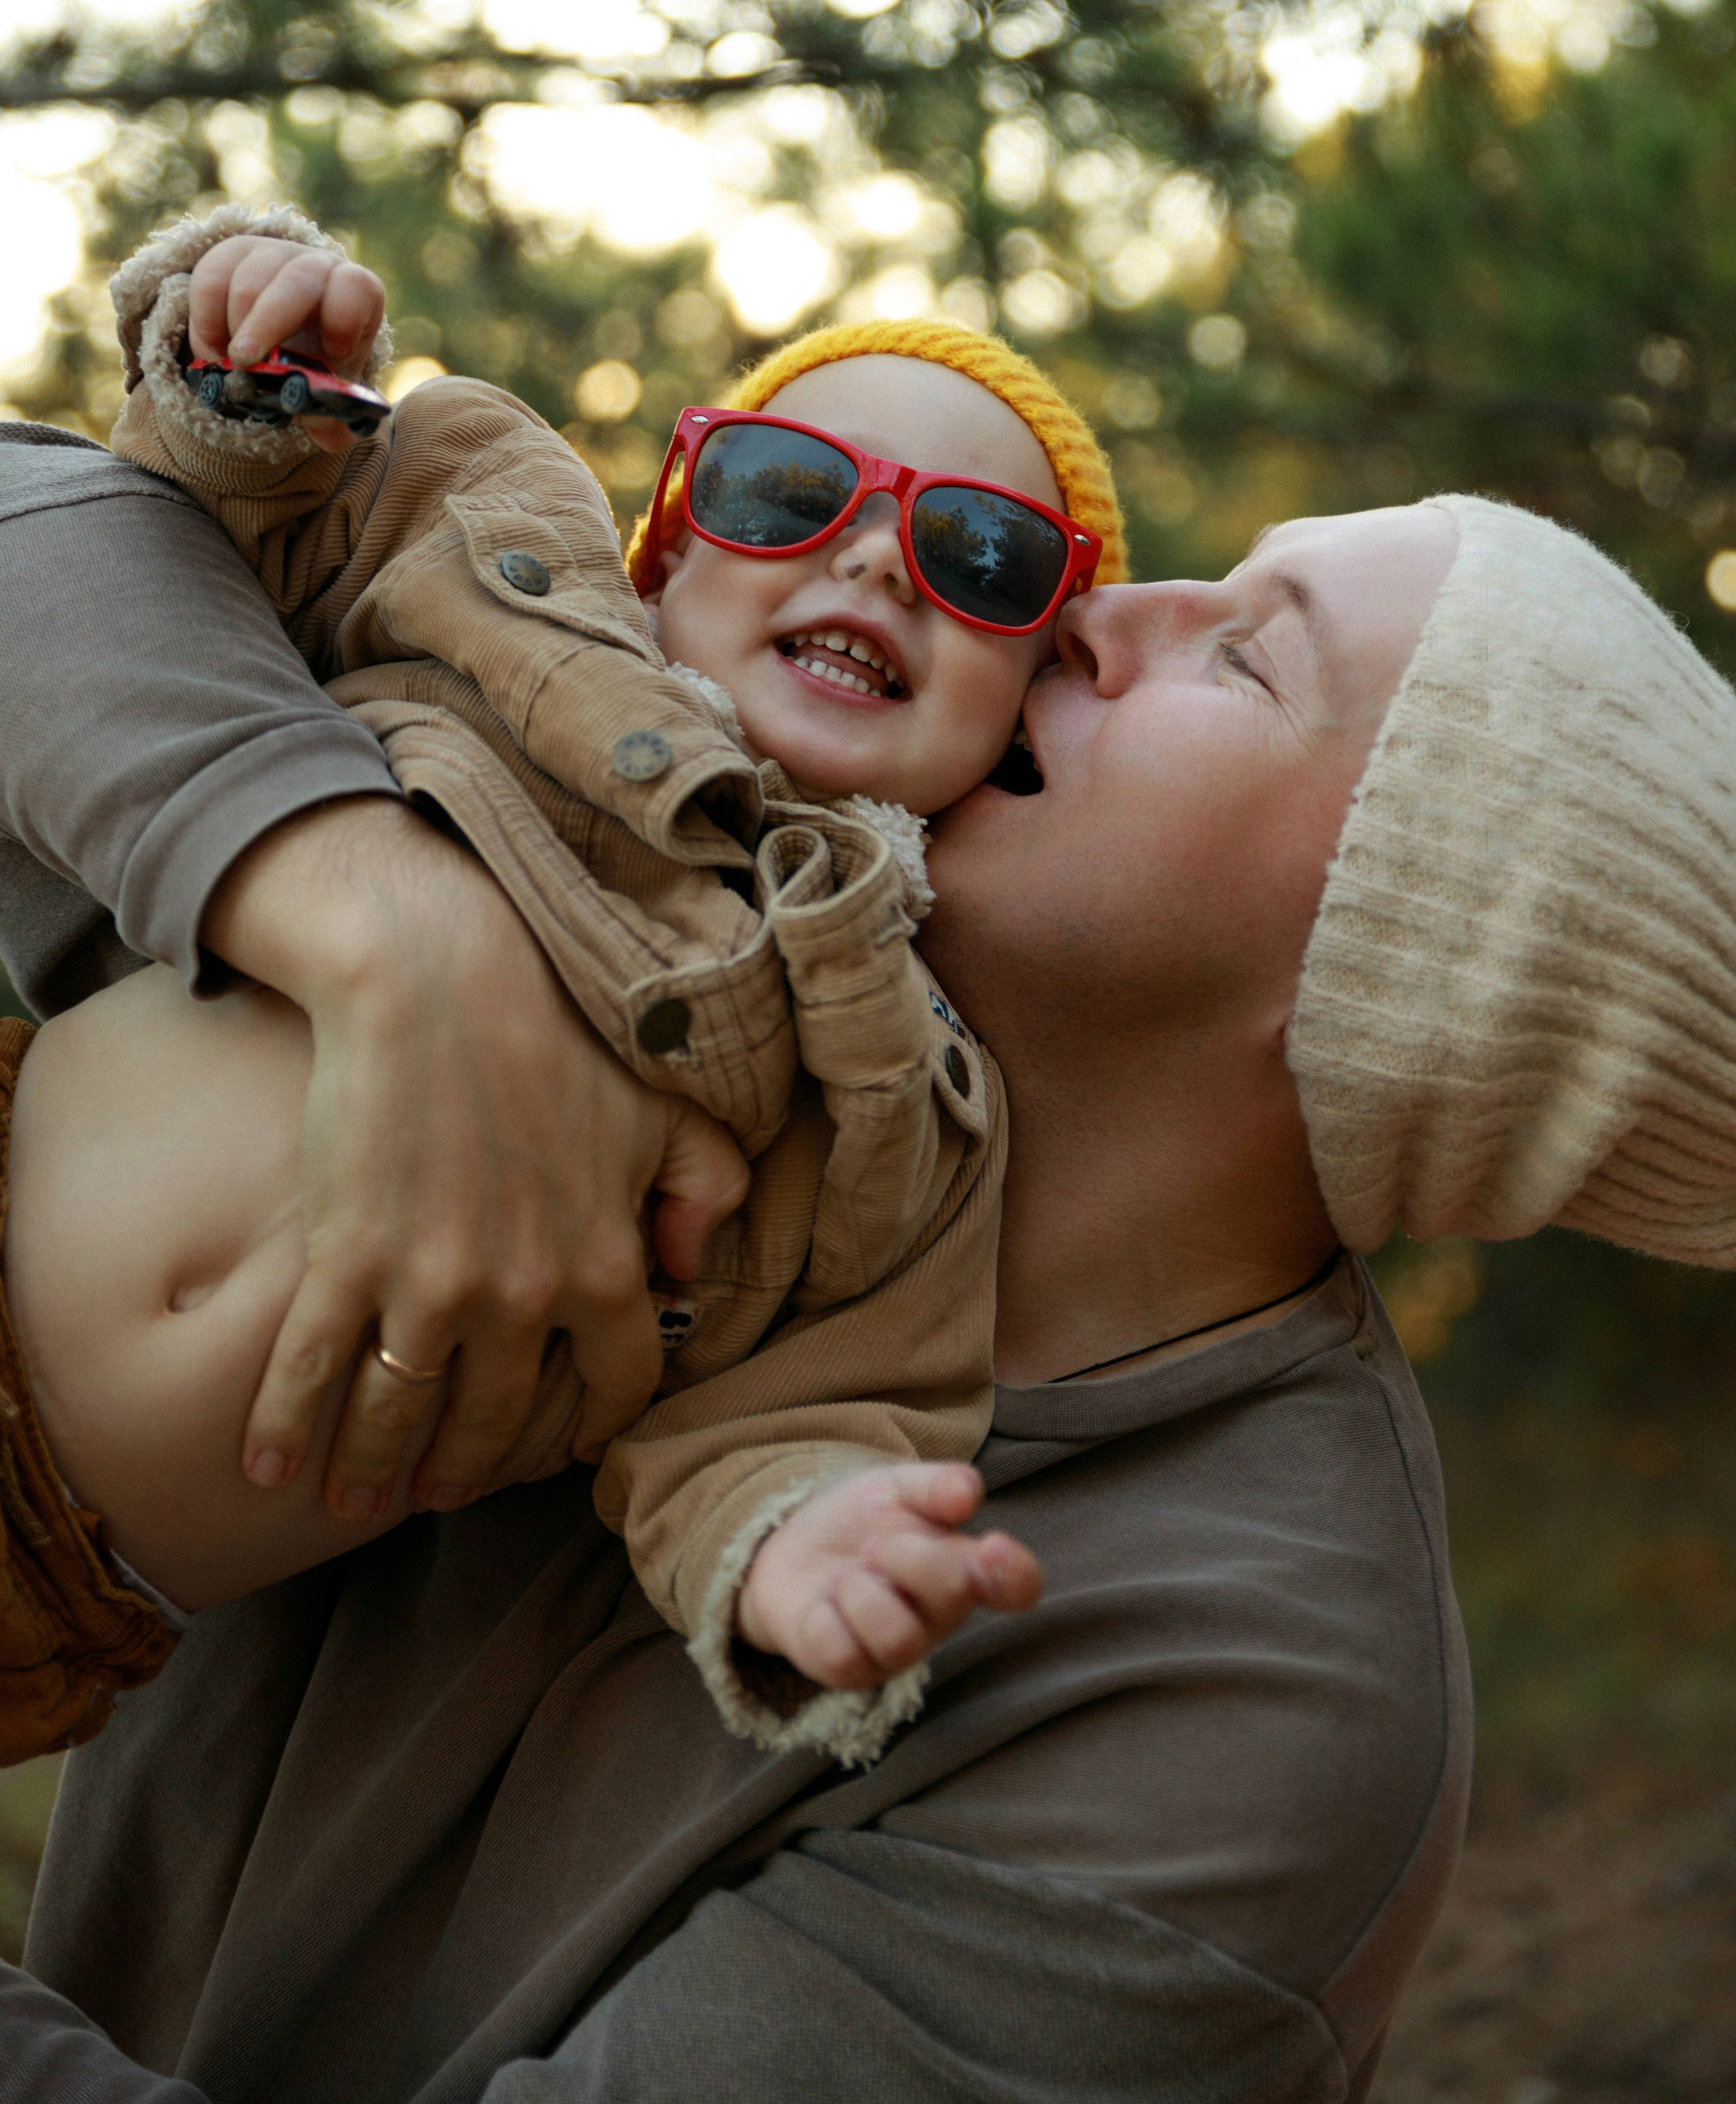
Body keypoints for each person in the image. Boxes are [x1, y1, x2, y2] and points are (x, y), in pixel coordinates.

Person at [3, 391, 1736, 2100]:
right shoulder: (691, 927)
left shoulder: (1249, 1712)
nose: (1096, 612)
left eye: (1246, 657)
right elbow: (59, 523)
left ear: (1391, 984)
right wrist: (369, 917)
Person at [0, 203, 1130, 1764]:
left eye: (981, 557)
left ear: (1026, 714)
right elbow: (202, 536)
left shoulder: (908, 1101)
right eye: (787, 489)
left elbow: (822, 1407)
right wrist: (255, 370)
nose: (876, 555)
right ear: (668, 543)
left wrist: (797, 1549)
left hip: (62, 1582)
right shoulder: (501, 572)